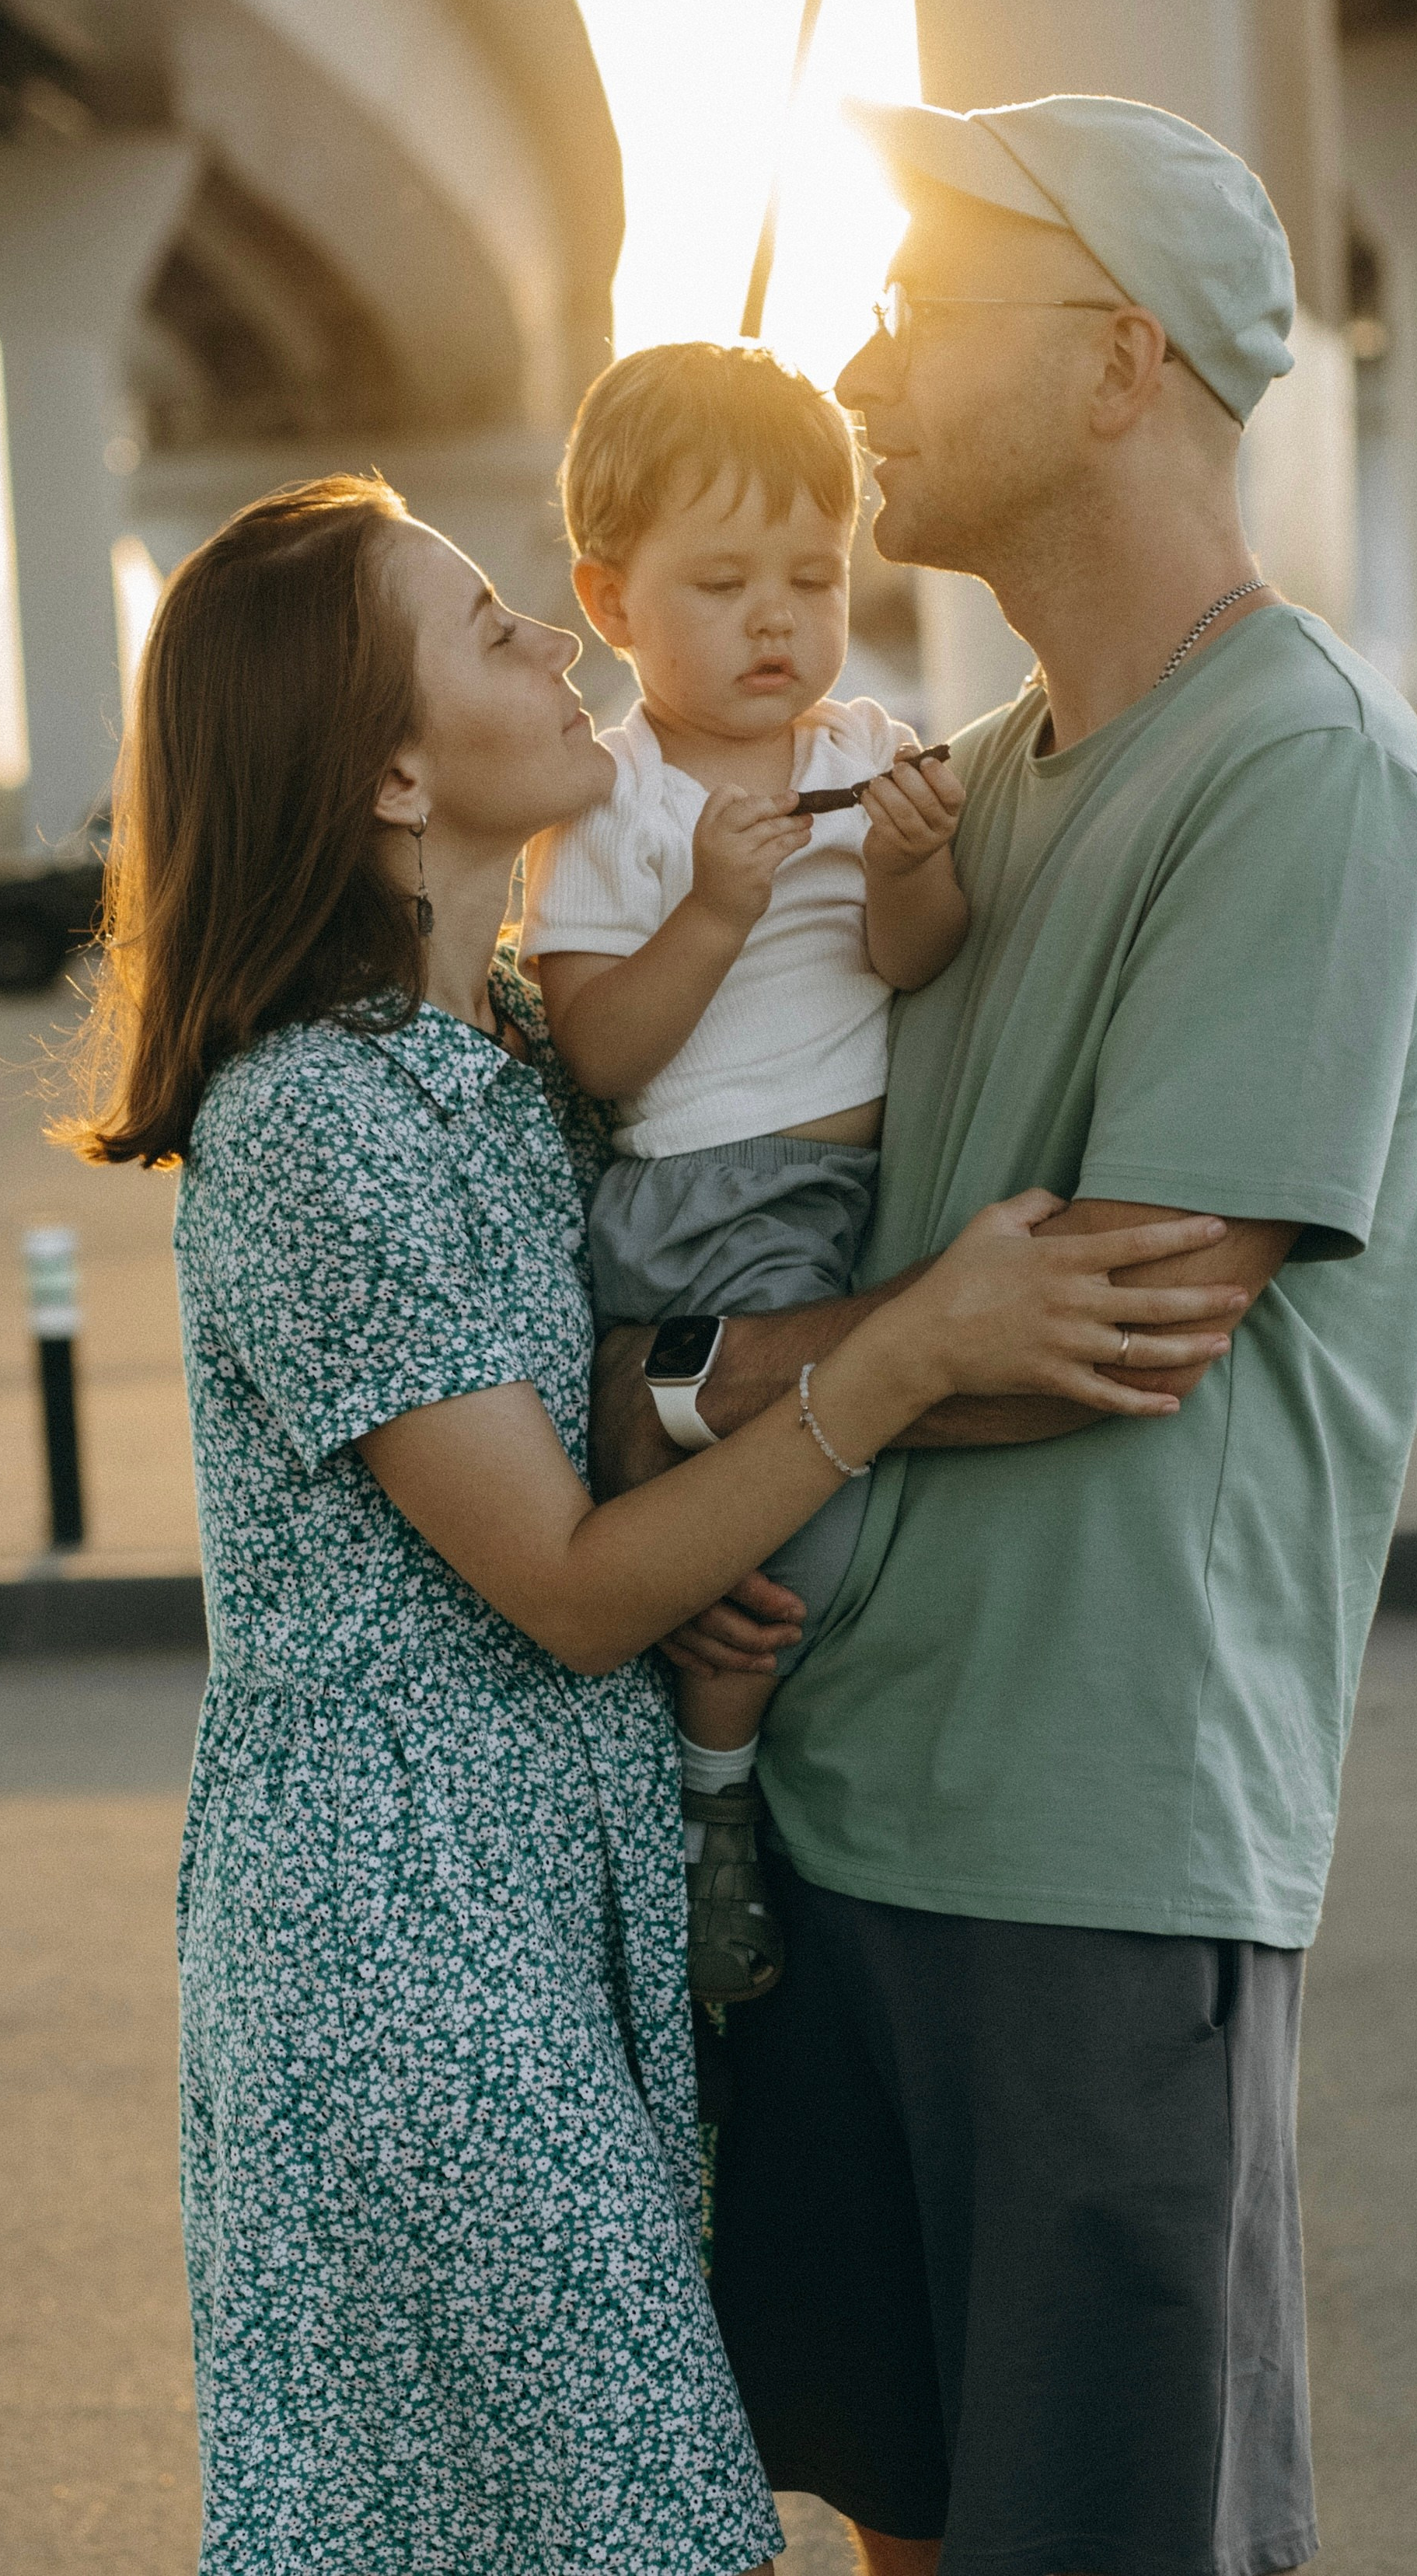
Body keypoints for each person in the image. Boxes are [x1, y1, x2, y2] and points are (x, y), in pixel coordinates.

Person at [53, 473, 1242, 2576]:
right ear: (392, 772)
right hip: (408, 1948)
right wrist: (905, 1349)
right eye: (488, 622)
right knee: (632, 2529)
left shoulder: (508, 1043)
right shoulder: (316, 1120)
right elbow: (571, 1588)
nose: (558, 641)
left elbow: (611, 1442)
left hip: (551, 1910)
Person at [593, 97, 1417, 2576]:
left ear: (1113, 362)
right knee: (904, 2523)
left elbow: (1118, 1321)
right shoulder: (943, 801)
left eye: (913, 302)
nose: (855, 362)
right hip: (831, 1802)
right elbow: (803, 1300)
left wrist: (703, 1393)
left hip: (1091, 1840)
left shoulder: (1295, 772)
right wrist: (759, 1371)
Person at [520, 341, 969, 2004]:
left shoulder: (865, 742)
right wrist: (716, 907)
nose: (777, 620)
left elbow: (912, 959)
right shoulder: (614, 801)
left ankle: (738, 1762)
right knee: (791, 1543)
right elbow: (604, 1050)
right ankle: (717, 1807)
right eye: (722, 585)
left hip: (858, 1192)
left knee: (831, 1498)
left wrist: (913, 870)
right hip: (720, 1204)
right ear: (612, 602)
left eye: (813, 576)